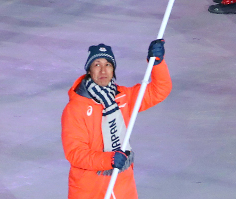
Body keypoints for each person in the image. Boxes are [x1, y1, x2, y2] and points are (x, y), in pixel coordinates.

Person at [61, 41, 170, 199]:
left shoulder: (124, 97)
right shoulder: (75, 108)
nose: (103, 70)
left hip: (122, 189)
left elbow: (159, 90)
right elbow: (75, 153)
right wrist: (109, 159)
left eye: (108, 65)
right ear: (89, 71)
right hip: (90, 191)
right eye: (97, 64)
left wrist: (157, 64)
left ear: (113, 70)